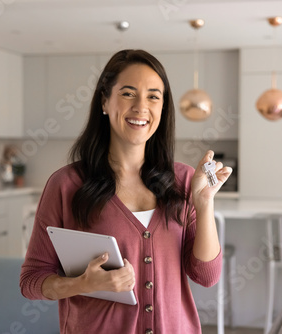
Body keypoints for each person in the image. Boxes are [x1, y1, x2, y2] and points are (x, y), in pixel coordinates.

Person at [19, 49, 232, 334]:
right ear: (105, 102)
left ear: (163, 108)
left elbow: (206, 276)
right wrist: (82, 284)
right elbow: (32, 281)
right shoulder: (66, 185)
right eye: (129, 93)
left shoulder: (183, 180)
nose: (141, 107)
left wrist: (203, 204)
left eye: (154, 96)